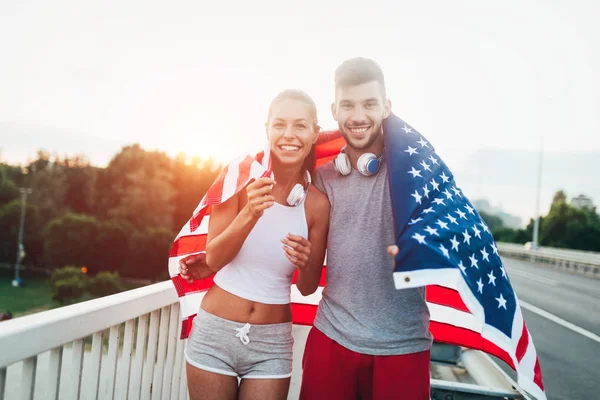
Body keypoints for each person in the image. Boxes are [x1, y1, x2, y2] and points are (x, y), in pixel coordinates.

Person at [180, 89, 329, 400]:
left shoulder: (318, 205)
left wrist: (306, 261)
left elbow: (307, 287)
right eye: (280, 125)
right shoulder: (238, 177)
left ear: (315, 133)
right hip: (215, 334)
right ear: (267, 129)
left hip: (271, 345)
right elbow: (215, 257)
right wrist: (250, 211)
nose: (289, 135)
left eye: (301, 126)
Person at [298, 58, 433, 400]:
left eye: (369, 104)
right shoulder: (323, 178)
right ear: (335, 111)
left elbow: (453, 241)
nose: (358, 116)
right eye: (348, 105)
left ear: (387, 107)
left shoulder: (419, 173)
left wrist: (421, 251)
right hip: (332, 339)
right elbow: (304, 277)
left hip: (403, 346)